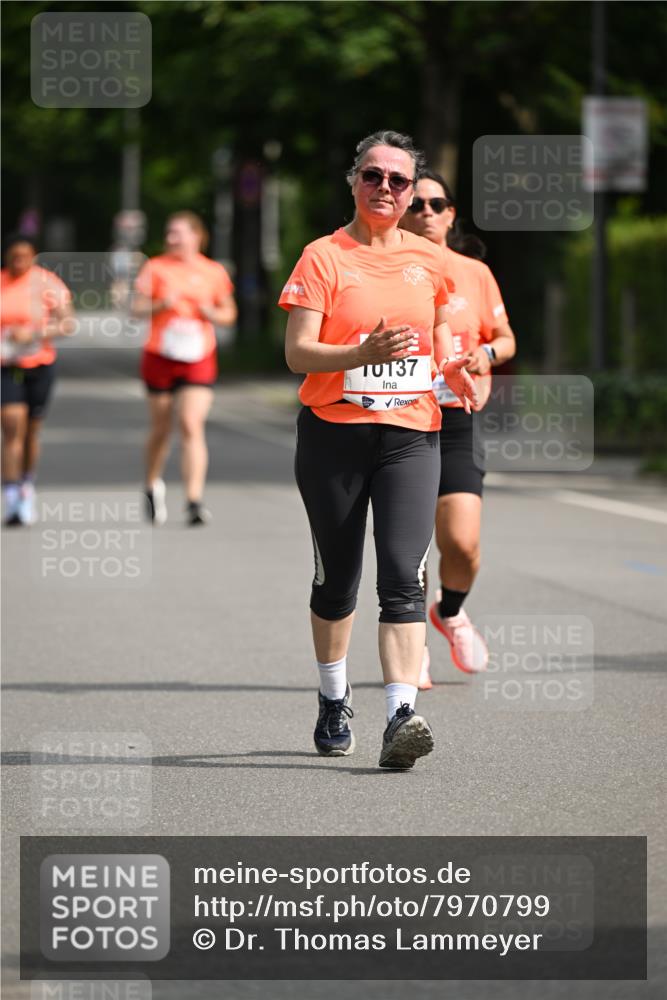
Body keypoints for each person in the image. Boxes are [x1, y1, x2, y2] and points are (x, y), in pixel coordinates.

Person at [279, 131, 476, 770]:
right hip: (334, 434)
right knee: (337, 580)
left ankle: (399, 714)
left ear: (412, 192)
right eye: (373, 175)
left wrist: (454, 366)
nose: (384, 188)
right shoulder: (323, 257)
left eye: (398, 180)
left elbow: (439, 332)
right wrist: (359, 354)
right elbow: (297, 352)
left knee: (403, 576)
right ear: (354, 182)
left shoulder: (430, 259)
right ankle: (333, 698)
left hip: (412, 435)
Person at [400, 170, 516, 686]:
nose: (425, 212)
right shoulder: (391, 269)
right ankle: (413, 647)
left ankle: (449, 612)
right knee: (412, 544)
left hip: (457, 420)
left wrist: (485, 354)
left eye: (436, 204)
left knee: (462, 544)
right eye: (416, 204)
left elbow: (506, 338)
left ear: (451, 215)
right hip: (404, 416)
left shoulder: (475, 273)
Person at [132, 212, 237, 526]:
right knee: (161, 428)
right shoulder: (155, 267)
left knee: (191, 424)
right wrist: (161, 304)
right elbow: (136, 308)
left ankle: (194, 500)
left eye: (177, 233)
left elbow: (229, 313)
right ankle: (152, 484)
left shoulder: (213, 271)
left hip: (198, 355)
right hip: (160, 355)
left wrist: (211, 313)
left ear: (196, 236)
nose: (171, 238)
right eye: (169, 233)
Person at [1, 235, 74, 526]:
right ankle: (10, 496)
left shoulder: (47, 283)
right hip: (6, 366)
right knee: (11, 426)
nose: (19, 261)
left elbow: (67, 323)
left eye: (25, 256)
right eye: (14, 256)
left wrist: (33, 334)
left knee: (31, 431)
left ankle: (26, 485)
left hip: (39, 364)